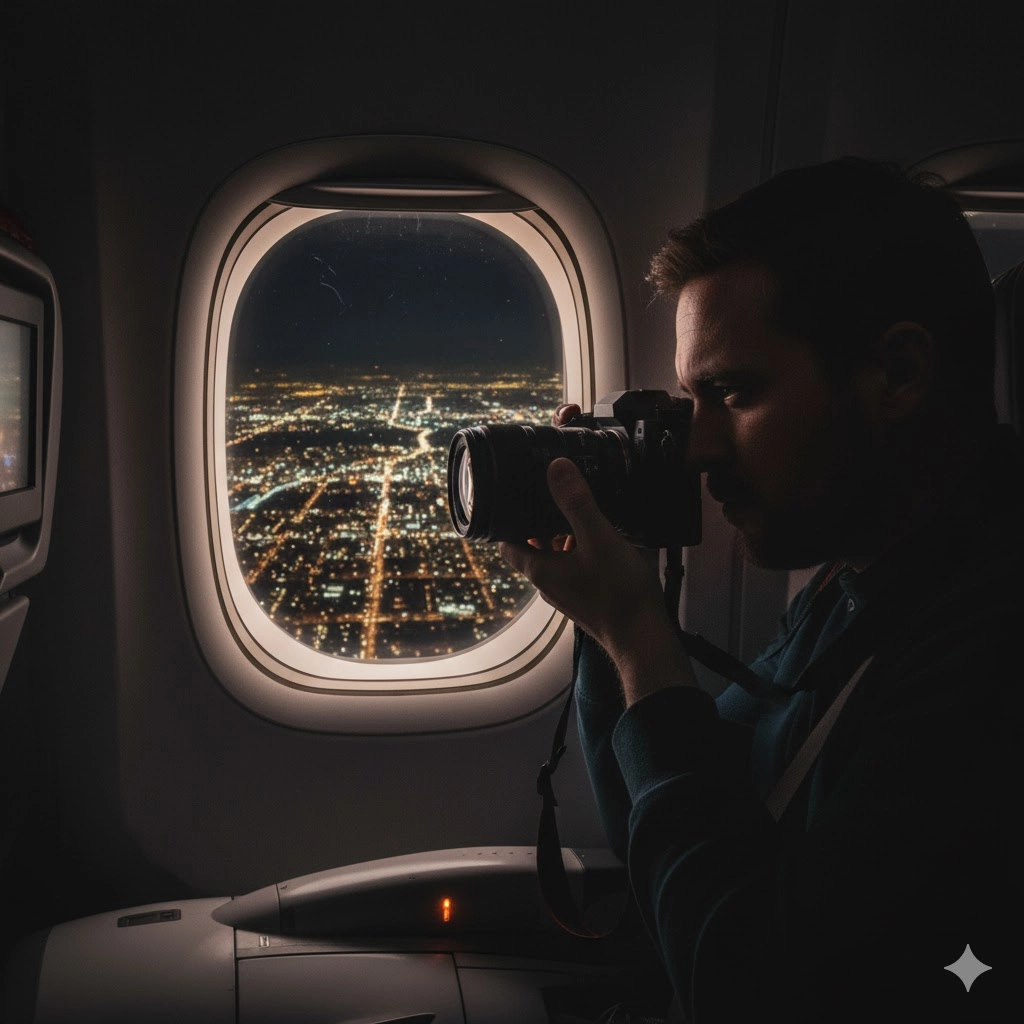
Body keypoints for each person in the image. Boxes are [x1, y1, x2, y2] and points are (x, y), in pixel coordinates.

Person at [500, 157, 1024, 1023]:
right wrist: (609, 630)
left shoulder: (991, 652)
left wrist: (639, 636)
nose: (700, 450)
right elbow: (688, 825)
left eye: (733, 394)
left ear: (897, 374)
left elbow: (755, 989)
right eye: (689, 401)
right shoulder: (863, 572)